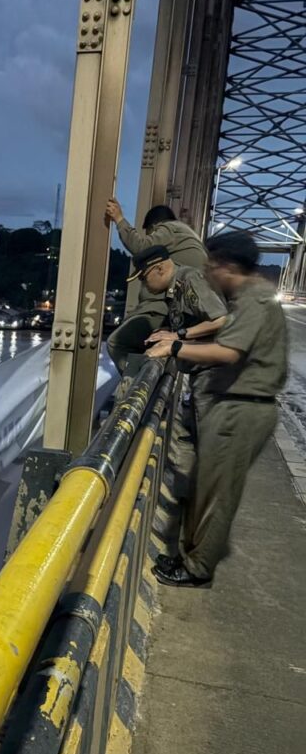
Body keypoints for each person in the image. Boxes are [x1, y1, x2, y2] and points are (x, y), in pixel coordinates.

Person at [146, 231, 288, 587]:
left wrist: (175, 348)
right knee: (206, 485)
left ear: (227, 266)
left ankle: (197, 569)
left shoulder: (255, 300)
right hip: (234, 405)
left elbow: (228, 352)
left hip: (241, 409)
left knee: (217, 494)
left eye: (211, 265)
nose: (207, 273)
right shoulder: (248, 297)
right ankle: (189, 554)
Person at [106, 245, 227, 377]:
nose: (144, 285)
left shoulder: (190, 279)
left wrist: (176, 335)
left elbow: (221, 320)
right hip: (205, 370)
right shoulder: (174, 287)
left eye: (144, 278)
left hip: (215, 373)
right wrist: (169, 330)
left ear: (160, 269)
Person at [105, 200, 207, 269]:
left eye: (150, 234)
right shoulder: (184, 231)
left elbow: (141, 247)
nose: (149, 237)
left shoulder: (169, 228)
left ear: (154, 226)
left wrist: (119, 219)